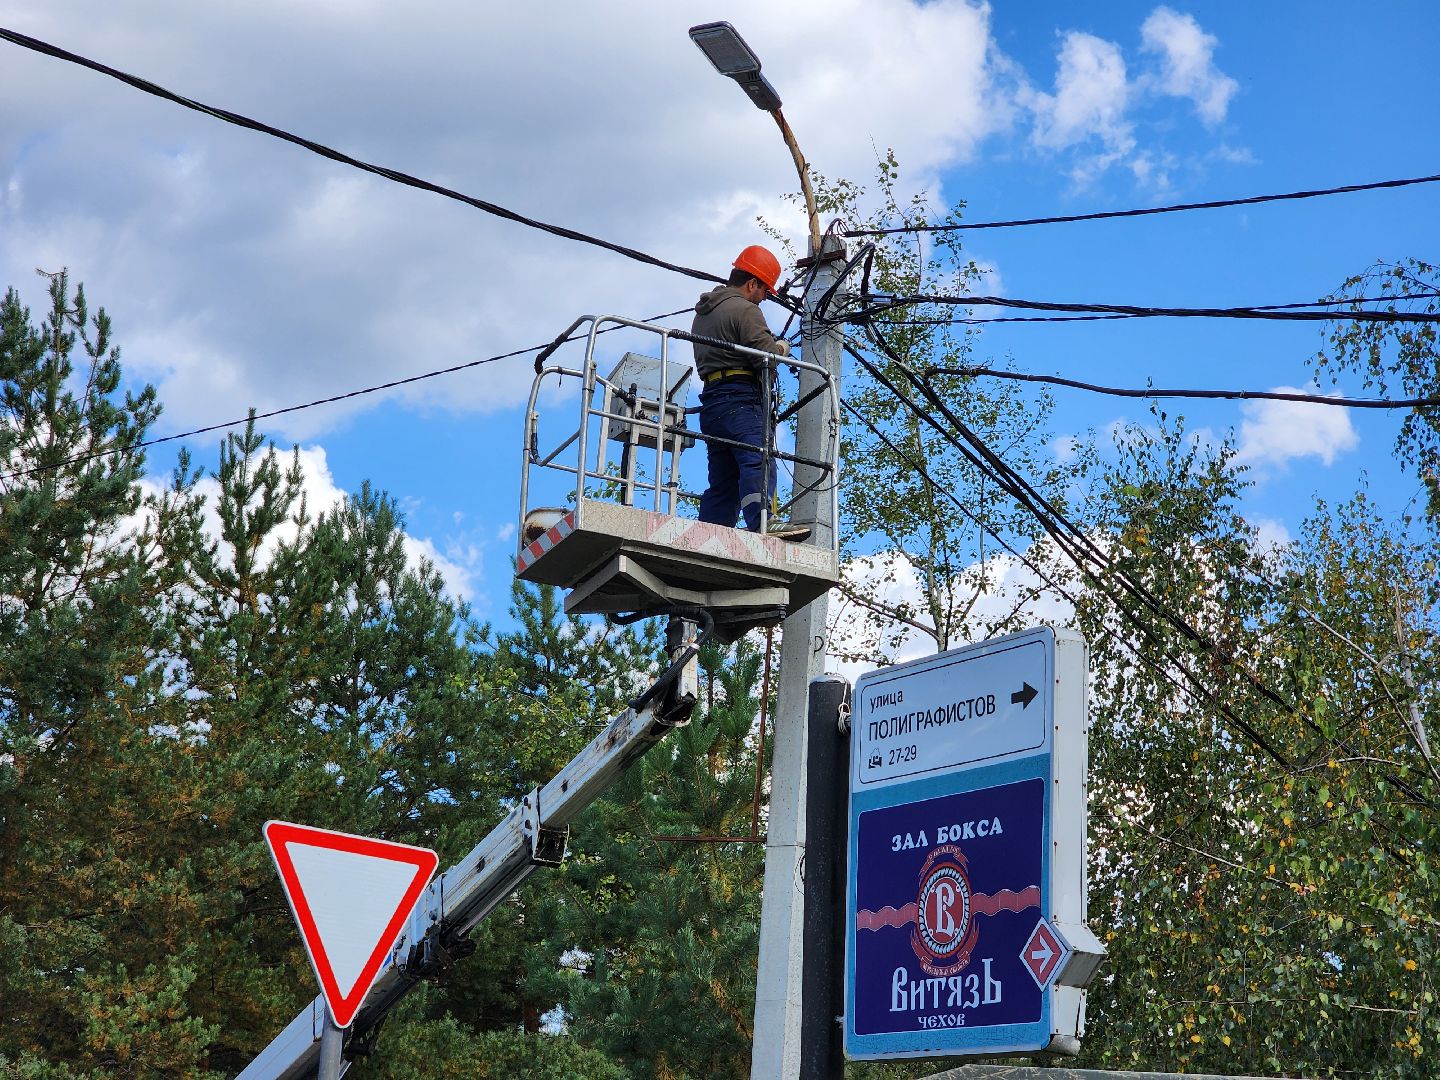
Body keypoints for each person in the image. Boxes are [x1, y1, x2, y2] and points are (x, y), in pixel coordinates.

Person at [692, 245, 810, 541]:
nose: (764, 298)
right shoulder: (746, 310)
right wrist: (781, 347)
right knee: (757, 459)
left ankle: (710, 532)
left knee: (724, 479)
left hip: (712, 403)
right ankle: (764, 521)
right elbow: (765, 357)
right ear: (752, 283)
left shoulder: (704, 314)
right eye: (765, 291)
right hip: (741, 400)